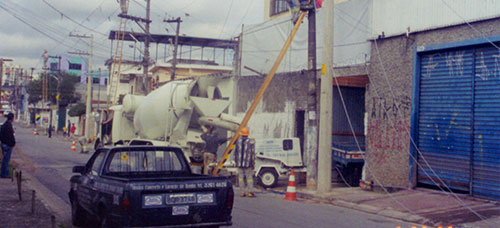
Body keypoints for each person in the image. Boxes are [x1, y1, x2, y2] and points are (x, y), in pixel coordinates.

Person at [234, 127, 256, 197]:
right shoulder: (251, 142)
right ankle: (250, 192)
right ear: (247, 134)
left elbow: (235, 153)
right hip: (248, 164)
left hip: (239, 163)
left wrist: (236, 162)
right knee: (249, 178)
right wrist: (253, 163)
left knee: (240, 177)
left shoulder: (238, 141)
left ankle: (242, 192)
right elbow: (252, 153)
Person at [0, 113, 16, 178]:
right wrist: (13, 143)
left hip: (3, 144)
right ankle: (5, 174)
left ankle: (4, 173)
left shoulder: (4, 125)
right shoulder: (9, 126)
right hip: (7, 145)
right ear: (12, 118)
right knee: (6, 160)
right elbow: (10, 136)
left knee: (4, 160)